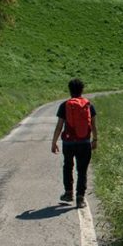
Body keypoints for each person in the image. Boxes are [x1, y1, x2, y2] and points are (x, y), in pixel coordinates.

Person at [51, 78, 98, 208]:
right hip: (84, 143)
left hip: (68, 143)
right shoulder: (88, 105)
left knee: (68, 166)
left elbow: (59, 126)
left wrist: (54, 142)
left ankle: (68, 193)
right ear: (82, 90)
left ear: (69, 90)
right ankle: (80, 198)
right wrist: (95, 139)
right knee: (82, 171)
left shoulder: (64, 105)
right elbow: (93, 125)